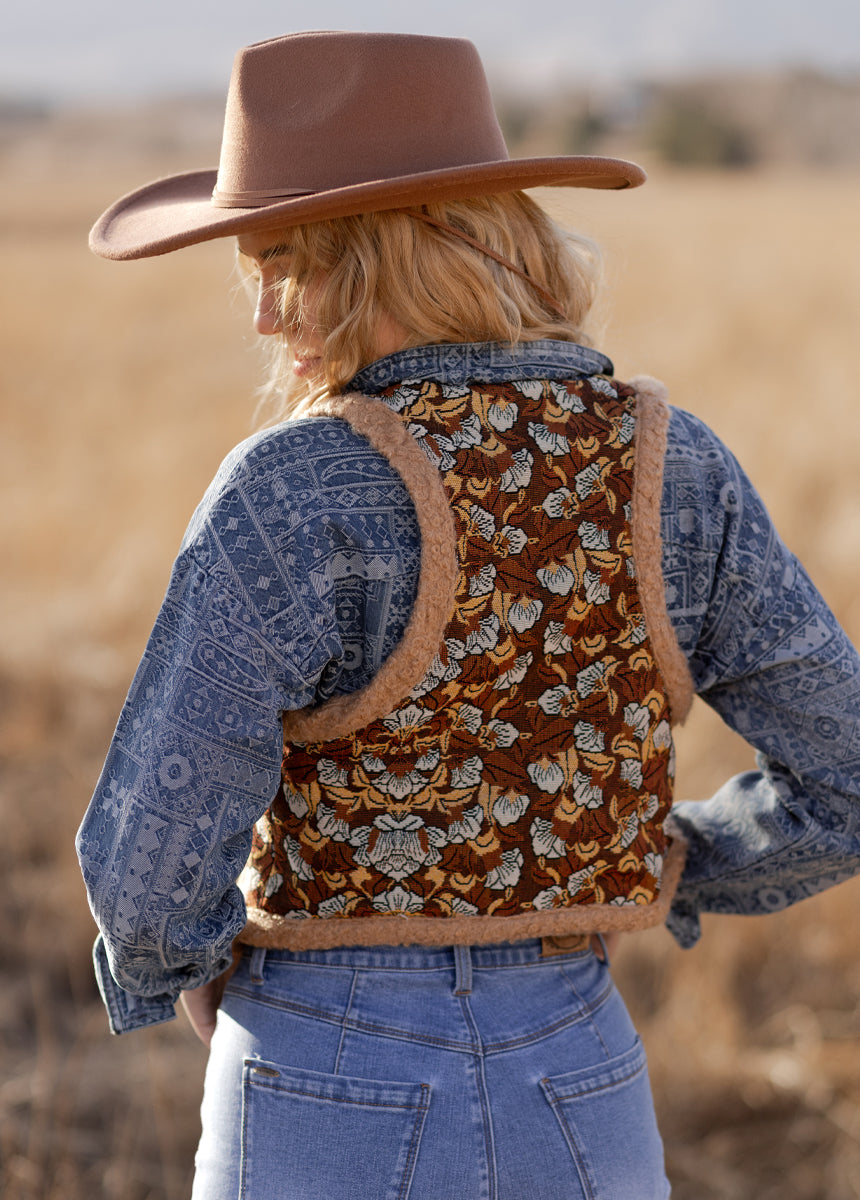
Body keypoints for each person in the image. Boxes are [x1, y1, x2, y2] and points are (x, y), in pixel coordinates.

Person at [76, 31, 860, 1200]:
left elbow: (147, 873)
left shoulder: (292, 488)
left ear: (369, 260)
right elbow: (842, 770)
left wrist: (183, 974)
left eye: (276, 264)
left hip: (318, 1062)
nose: (259, 318)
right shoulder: (672, 469)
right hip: (579, 1067)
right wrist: (662, 862)